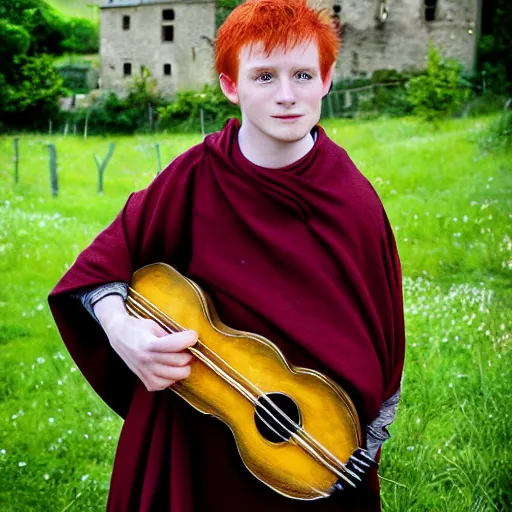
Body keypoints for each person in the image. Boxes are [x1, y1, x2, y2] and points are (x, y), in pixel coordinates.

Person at [48, 0, 405, 510]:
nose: (287, 95)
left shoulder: (352, 199)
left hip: (315, 450)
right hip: (198, 435)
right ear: (230, 85)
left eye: (303, 74)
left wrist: (366, 445)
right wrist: (121, 330)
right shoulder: (194, 176)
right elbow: (99, 266)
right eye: (263, 76)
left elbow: (386, 335)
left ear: (326, 80)